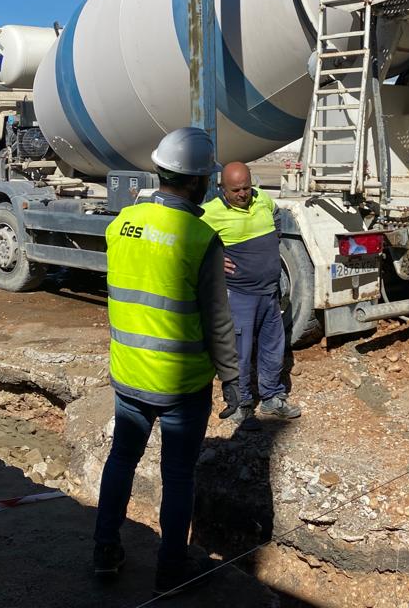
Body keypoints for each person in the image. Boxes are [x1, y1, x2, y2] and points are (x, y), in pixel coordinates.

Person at [92, 127, 241, 598]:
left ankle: (104, 551)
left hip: (129, 375)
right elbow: (218, 322)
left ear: (159, 171)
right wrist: (233, 382)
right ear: (200, 181)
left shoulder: (122, 225)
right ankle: (171, 567)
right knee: (177, 476)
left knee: (122, 460)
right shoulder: (200, 238)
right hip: (181, 385)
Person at [201, 161, 301, 427]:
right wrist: (213, 258)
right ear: (222, 188)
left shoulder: (263, 200)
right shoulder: (210, 213)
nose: (243, 194)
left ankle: (272, 397)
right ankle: (241, 405)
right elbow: (187, 242)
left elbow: (277, 216)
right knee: (239, 354)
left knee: (273, 348)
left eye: (246, 187)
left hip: (269, 293)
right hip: (239, 295)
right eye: (236, 190)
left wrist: (271, 243)